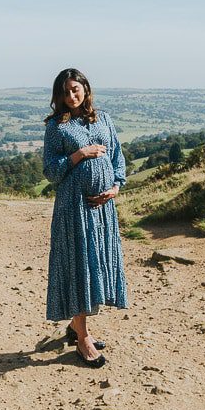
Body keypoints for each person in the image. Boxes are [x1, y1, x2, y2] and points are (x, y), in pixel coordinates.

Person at [42, 67, 128, 368]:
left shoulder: (103, 119)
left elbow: (117, 156)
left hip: (103, 209)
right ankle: (82, 339)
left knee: (97, 264)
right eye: (65, 92)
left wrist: (115, 187)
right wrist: (80, 154)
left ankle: (77, 327)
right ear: (58, 96)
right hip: (73, 209)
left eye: (75, 89)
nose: (71, 96)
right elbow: (51, 171)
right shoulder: (56, 127)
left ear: (86, 89)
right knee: (80, 267)